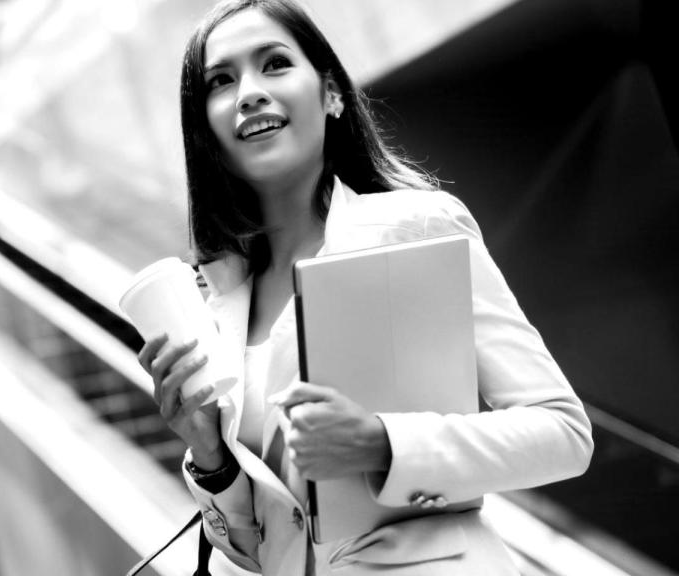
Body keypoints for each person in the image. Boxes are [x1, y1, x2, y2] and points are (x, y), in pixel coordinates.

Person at [136, 0, 594, 574]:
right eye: (221, 81)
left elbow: (564, 433)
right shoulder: (217, 301)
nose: (249, 91)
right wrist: (210, 457)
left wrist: (382, 443)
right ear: (206, 128)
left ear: (331, 95)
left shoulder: (415, 226)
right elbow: (259, 553)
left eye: (274, 64)